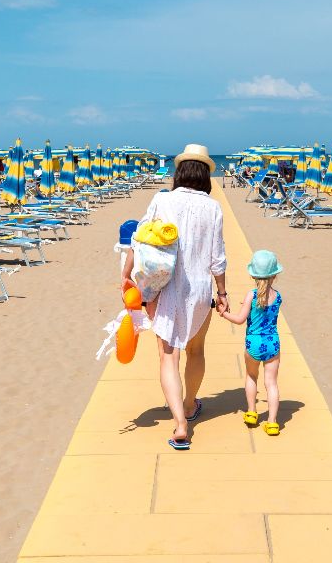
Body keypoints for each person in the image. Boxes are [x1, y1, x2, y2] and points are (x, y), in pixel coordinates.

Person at [124, 143, 227, 450]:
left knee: (168, 355)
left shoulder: (162, 200)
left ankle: (180, 425)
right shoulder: (213, 207)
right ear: (205, 175)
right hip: (200, 290)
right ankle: (191, 403)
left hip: (167, 287)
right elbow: (218, 259)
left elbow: (139, 240)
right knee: (196, 350)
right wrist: (222, 292)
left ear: (179, 172)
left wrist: (126, 275)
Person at [219, 249, 284, 436]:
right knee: (271, 383)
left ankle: (252, 413)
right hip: (272, 343)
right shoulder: (278, 296)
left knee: (251, 376)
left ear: (253, 275)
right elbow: (266, 310)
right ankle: (272, 423)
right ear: (274, 275)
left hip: (253, 343)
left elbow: (240, 319)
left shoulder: (251, 295)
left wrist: (224, 313)